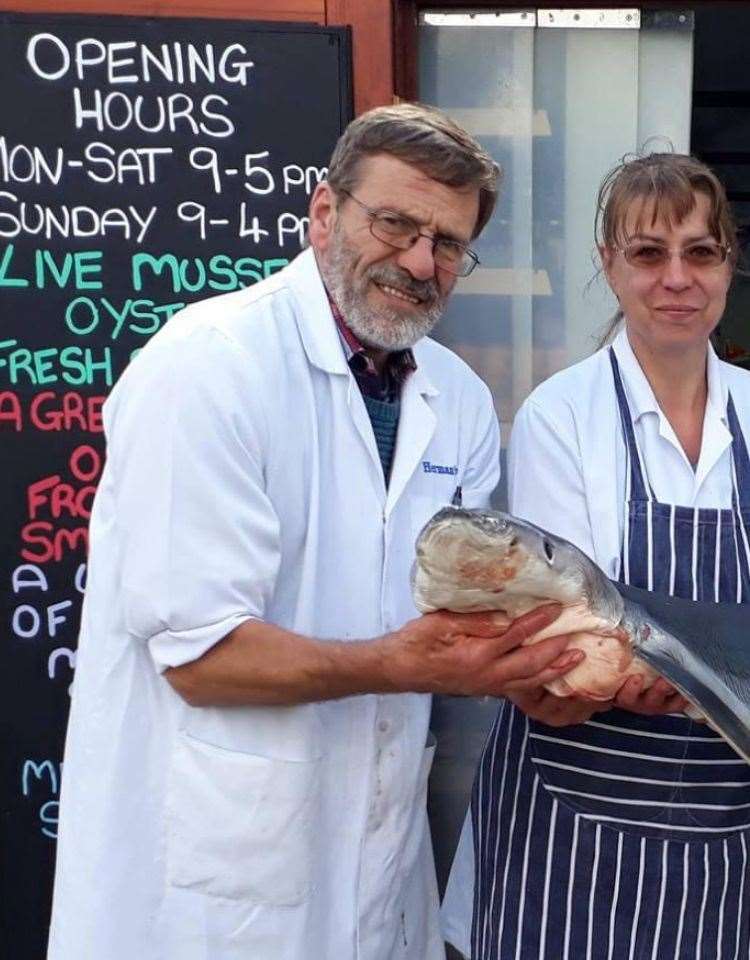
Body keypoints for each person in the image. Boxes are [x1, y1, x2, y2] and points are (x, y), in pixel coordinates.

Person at [46, 103, 583, 960]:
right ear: (325, 213)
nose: (419, 262)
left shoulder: (459, 402)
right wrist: (401, 663)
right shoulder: (210, 365)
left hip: (375, 868)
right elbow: (198, 655)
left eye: (447, 244)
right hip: (205, 895)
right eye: (397, 224)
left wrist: (542, 673)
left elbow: (466, 616)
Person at [443, 152, 750, 959]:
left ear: (728, 263)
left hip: (726, 825)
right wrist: (695, 680)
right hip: (575, 826)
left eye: (700, 252)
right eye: (649, 253)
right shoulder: (561, 417)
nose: (676, 278)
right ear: (609, 265)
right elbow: (564, 633)